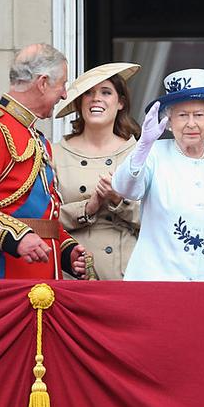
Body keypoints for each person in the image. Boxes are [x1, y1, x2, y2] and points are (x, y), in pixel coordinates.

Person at [112, 68, 204, 281]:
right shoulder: (153, 155)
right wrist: (142, 147)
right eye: (182, 115)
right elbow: (124, 188)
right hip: (157, 286)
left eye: (199, 115)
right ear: (169, 122)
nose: (191, 123)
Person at [0, 44, 87, 280]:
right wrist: (16, 238)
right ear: (43, 83)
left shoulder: (36, 137)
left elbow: (41, 212)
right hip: (6, 272)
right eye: (62, 84)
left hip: (42, 272)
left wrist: (66, 250)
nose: (65, 94)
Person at [52, 63, 143, 280]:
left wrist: (119, 201)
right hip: (74, 273)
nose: (96, 99)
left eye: (106, 92)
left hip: (127, 273)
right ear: (79, 102)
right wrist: (88, 208)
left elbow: (160, 219)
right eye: (89, 93)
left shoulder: (140, 154)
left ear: (120, 102)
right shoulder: (54, 153)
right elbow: (43, 220)